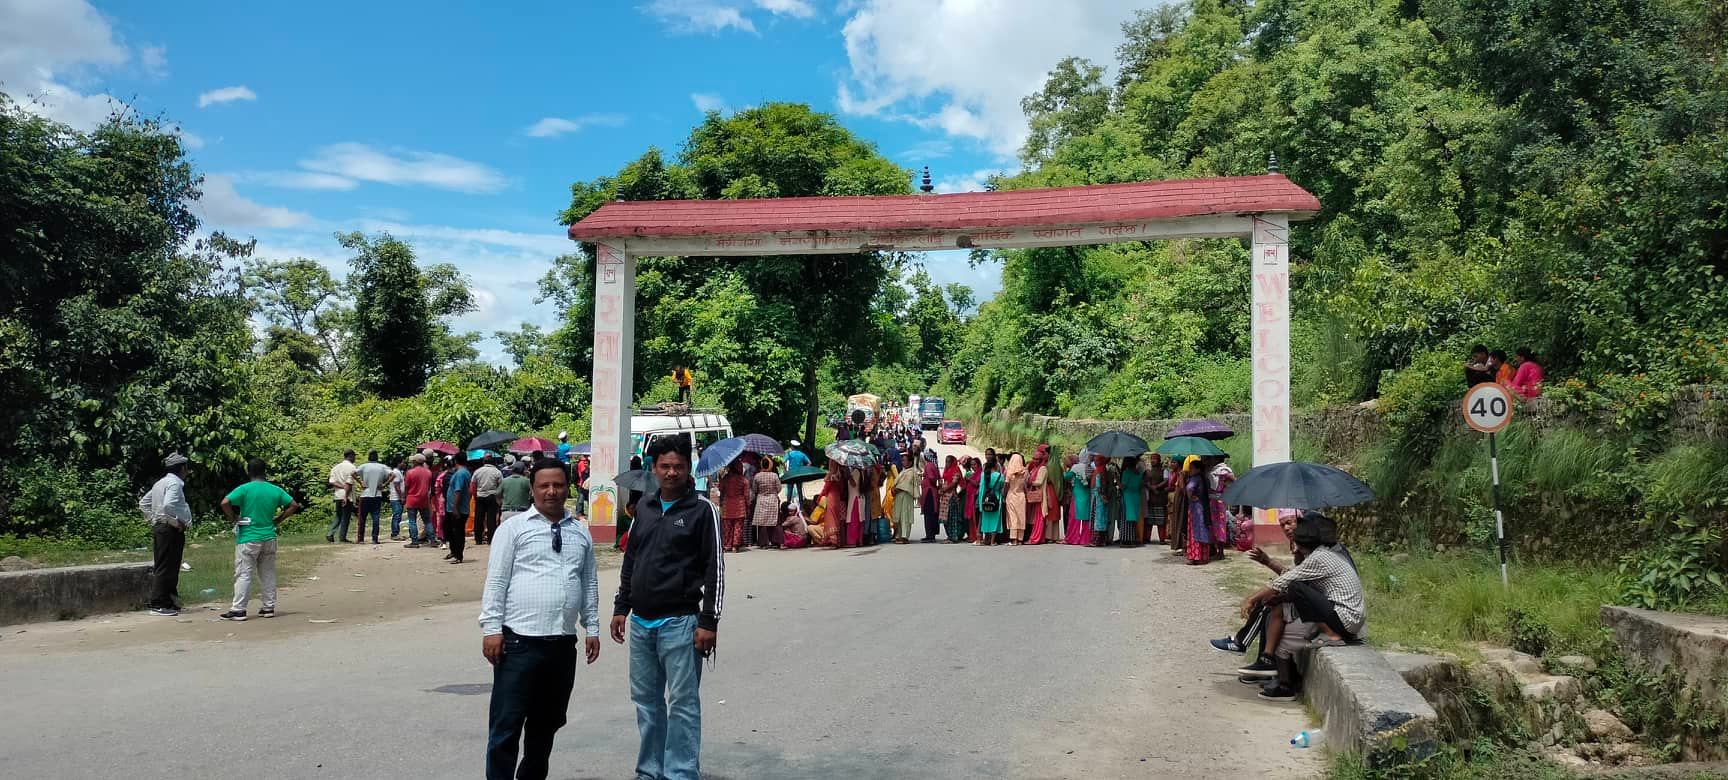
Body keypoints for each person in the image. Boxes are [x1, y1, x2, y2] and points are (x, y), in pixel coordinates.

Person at [481, 458, 602, 780]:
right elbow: (496, 581)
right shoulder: (512, 529)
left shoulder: (580, 532)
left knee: (545, 727)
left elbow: (588, 581)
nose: (551, 491)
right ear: (532, 490)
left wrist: (592, 626)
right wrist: (491, 629)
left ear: (568, 488)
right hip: (518, 643)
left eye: (558, 485)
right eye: (544, 485)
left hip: (562, 646)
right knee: (506, 727)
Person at [611, 435, 722, 780]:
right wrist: (621, 607)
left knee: (683, 704)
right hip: (642, 624)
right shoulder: (644, 506)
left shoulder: (703, 510)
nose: (672, 472)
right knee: (646, 703)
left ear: (689, 470)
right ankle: (649, 771)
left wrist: (709, 621)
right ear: (654, 468)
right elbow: (632, 559)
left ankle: (681, 772)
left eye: (678, 466)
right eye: (665, 466)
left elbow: (714, 568)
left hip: (682, 623)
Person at [1237, 513, 1365, 701]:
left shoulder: (1321, 557)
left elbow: (1284, 582)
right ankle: (1285, 682)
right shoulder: (1323, 553)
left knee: (1291, 590)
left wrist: (1250, 600)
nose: (1288, 531)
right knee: (1282, 627)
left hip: (1344, 619)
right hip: (1341, 615)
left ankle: (1330, 638)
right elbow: (1294, 576)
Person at [1212, 509, 1301, 680]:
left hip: (1316, 605)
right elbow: (1290, 575)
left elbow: (1290, 580)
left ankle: (1243, 645)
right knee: (1270, 602)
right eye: (1283, 525)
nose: (1287, 528)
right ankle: (1260, 660)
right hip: (1306, 595)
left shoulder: (1307, 547)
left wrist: (1253, 598)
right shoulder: (1297, 545)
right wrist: (1267, 561)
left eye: (1290, 522)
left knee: (1270, 604)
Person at [218, 457, 300, 621]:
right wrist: (278, 519)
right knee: (268, 572)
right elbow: (294, 505)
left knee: (244, 573)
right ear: (265, 471)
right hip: (269, 535)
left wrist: (234, 518)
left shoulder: (244, 489)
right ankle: (268, 607)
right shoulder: (274, 490)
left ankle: (239, 609)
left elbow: (225, 502)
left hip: (248, 536)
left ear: (249, 472)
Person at [139, 453, 193, 616]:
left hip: (162, 527)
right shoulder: (174, 484)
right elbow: (168, 505)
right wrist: (177, 522)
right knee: (165, 566)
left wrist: (154, 518)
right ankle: (158, 603)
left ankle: (169, 601)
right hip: (170, 529)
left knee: (170, 565)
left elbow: (144, 503)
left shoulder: (160, 483)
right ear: (182, 468)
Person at [355, 450, 390, 545]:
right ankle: (374, 538)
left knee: (362, 517)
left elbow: (352, 473)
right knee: (376, 517)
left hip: (365, 494)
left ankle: (361, 538)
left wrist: (360, 482)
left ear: (369, 457)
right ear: (377, 457)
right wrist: (384, 484)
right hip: (377, 494)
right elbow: (393, 474)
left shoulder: (364, 466)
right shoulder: (382, 467)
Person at [444, 453, 474, 564]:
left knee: (458, 532)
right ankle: (453, 551)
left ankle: (458, 555)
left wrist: (455, 508)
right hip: (453, 508)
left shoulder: (461, 474)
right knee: (449, 530)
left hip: (457, 509)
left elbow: (458, 491)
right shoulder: (463, 472)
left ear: (455, 461)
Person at [751, 455, 783, 549]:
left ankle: (763, 543)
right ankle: (776, 541)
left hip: (761, 500)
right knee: (774, 521)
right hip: (772, 500)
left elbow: (754, 489)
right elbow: (779, 488)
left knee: (762, 522)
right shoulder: (774, 475)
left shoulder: (757, 476)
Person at [327, 449, 359, 543]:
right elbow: (349, 483)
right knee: (346, 517)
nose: (355, 458)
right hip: (347, 496)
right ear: (351, 456)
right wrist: (346, 492)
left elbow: (331, 481)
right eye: (354, 456)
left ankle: (330, 533)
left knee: (338, 516)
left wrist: (341, 486)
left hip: (338, 495)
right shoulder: (352, 467)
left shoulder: (336, 467)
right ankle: (342, 537)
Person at [717, 462, 750, 553]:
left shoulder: (725, 479)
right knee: (738, 527)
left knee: (727, 527)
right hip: (740, 506)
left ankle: (727, 545)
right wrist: (748, 506)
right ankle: (735, 546)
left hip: (727, 505)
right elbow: (746, 495)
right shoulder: (744, 480)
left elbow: (721, 489)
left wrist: (720, 478)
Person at [473, 454, 504, 545]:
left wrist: (475, 495)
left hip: (480, 496)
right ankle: (491, 539)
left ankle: (478, 539)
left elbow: (473, 484)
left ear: (484, 462)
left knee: (479, 518)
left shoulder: (477, 471)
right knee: (491, 519)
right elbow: (500, 486)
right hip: (492, 496)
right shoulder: (497, 472)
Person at [1026, 445, 1053, 545]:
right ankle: (1038, 538)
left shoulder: (1042, 468)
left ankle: (1035, 538)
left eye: (1037, 459)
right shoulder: (1036, 468)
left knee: (1039, 518)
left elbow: (1039, 482)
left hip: (1040, 497)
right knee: (1036, 518)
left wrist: (1030, 482)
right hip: (1036, 496)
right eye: (1034, 458)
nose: (1035, 460)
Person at [1091, 454, 1119, 547]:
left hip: (1099, 497)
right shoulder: (1102, 469)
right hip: (1100, 496)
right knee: (1101, 518)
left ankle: (1097, 540)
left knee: (1098, 518)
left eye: (1097, 460)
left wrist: (1102, 495)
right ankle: (1101, 540)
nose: (1095, 462)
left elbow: (1099, 485)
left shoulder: (1100, 470)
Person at [891, 451, 920, 543]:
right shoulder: (904, 471)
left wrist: (896, 490)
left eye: (904, 460)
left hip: (906, 496)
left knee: (905, 516)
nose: (902, 462)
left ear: (910, 462)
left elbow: (906, 485)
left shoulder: (911, 472)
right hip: (899, 496)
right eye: (902, 460)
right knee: (899, 516)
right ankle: (899, 535)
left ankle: (904, 536)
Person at [976, 455, 1005, 545]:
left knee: (985, 520)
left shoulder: (984, 475)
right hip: (996, 499)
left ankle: (985, 539)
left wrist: (980, 502)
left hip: (986, 499)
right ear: (996, 466)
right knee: (995, 520)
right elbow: (1001, 489)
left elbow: (981, 489)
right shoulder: (1000, 476)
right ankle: (992, 541)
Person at [1063, 455, 1091, 546]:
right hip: (1087, 494)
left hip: (1077, 494)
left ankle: (1073, 538)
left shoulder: (1076, 467)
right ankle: (1085, 539)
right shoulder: (1090, 467)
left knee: (1074, 517)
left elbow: (1067, 477)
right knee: (1086, 518)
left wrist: (1064, 470)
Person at [1119, 456, 1144, 547]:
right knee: (1134, 518)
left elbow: (1123, 486)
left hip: (1127, 496)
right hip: (1136, 497)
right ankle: (1132, 538)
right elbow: (1141, 485)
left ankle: (1126, 539)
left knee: (1126, 518)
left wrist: (1117, 479)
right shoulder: (1139, 473)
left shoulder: (1126, 473)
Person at [1003, 452, 1028, 545]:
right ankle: (1020, 539)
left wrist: (1004, 495)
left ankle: (1013, 539)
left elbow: (1006, 485)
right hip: (1021, 496)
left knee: (1013, 517)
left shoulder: (1009, 472)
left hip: (1012, 495)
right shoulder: (1025, 471)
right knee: (1021, 517)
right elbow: (1026, 485)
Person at [919, 447, 941, 542]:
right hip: (932, 491)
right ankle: (931, 534)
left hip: (929, 492)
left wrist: (927, 480)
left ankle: (930, 535)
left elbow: (932, 478)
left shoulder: (928, 466)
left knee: (929, 514)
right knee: (932, 513)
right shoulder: (934, 465)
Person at [940, 455, 965, 543]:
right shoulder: (947, 470)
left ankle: (954, 537)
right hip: (945, 497)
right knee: (946, 518)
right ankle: (949, 536)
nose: (947, 464)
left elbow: (954, 483)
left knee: (952, 518)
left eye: (949, 462)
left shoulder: (956, 470)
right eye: (946, 461)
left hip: (951, 497)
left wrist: (944, 489)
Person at [1144, 454, 1168, 543]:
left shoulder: (1164, 471)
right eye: (1151, 459)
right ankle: (1147, 538)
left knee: (1161, 520)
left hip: (1160, 497)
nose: (1152, 461)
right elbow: (1146, 482)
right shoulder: (1148, 471)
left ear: (1159, 460)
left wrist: (1157, 486)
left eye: (1154, 459)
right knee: (1149, 520)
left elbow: (1166, 481)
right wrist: (1151, 487)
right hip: (1150, 498)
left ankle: (1162, 539)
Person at [388, 458, 408, 541]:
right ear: (398, 463)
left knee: (398, 516)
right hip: (396, 497)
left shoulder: (399, 472)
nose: (404, 464)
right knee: (396, 515)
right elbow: (397, 486)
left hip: (396, 497)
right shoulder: (396, 472)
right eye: (403, 462)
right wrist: (401, 497)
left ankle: (396, 533)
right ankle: (395, 533)